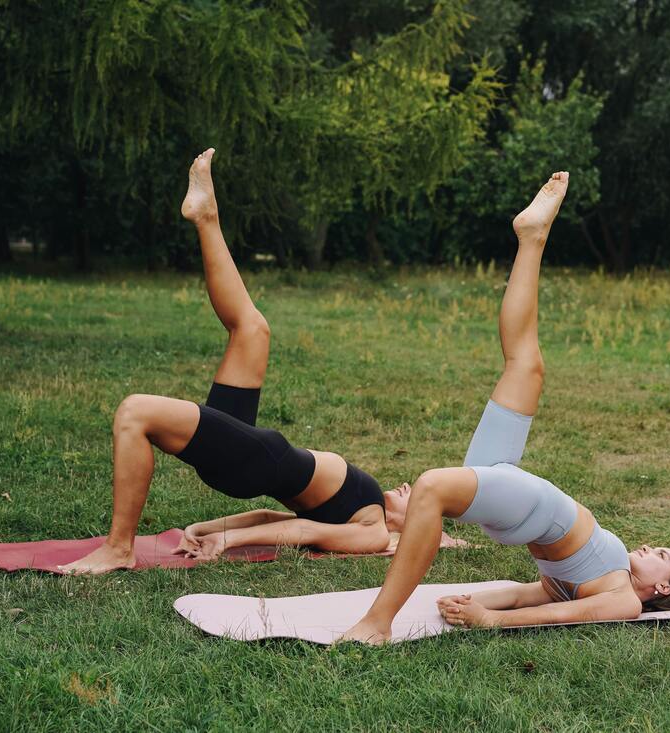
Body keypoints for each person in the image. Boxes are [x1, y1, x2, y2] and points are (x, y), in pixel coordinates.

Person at [341, 171, 670, 643]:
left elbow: (537, 604)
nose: (652, 545)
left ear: (663, 586)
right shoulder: (610, 584)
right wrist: (487, 613)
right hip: (535, 505)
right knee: (525, 366)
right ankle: (532, 239)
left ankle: (377, 621)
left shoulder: (626, 600)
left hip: (528, 509)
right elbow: (537, 603)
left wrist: (484, 610)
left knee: (437, 480)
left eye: (663, 554)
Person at [59, 149, 410, 574]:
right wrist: (206, 526)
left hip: (257, 462)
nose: (412, 488)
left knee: (135, 412)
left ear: (407, 529)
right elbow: (274, 519)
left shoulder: (373, 531)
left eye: (420, 503)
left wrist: (229, 541)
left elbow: (303, 534)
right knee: (252, 329)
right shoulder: (366, 508)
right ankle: (206, 216)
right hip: (255, 453)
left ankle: (119, 548)